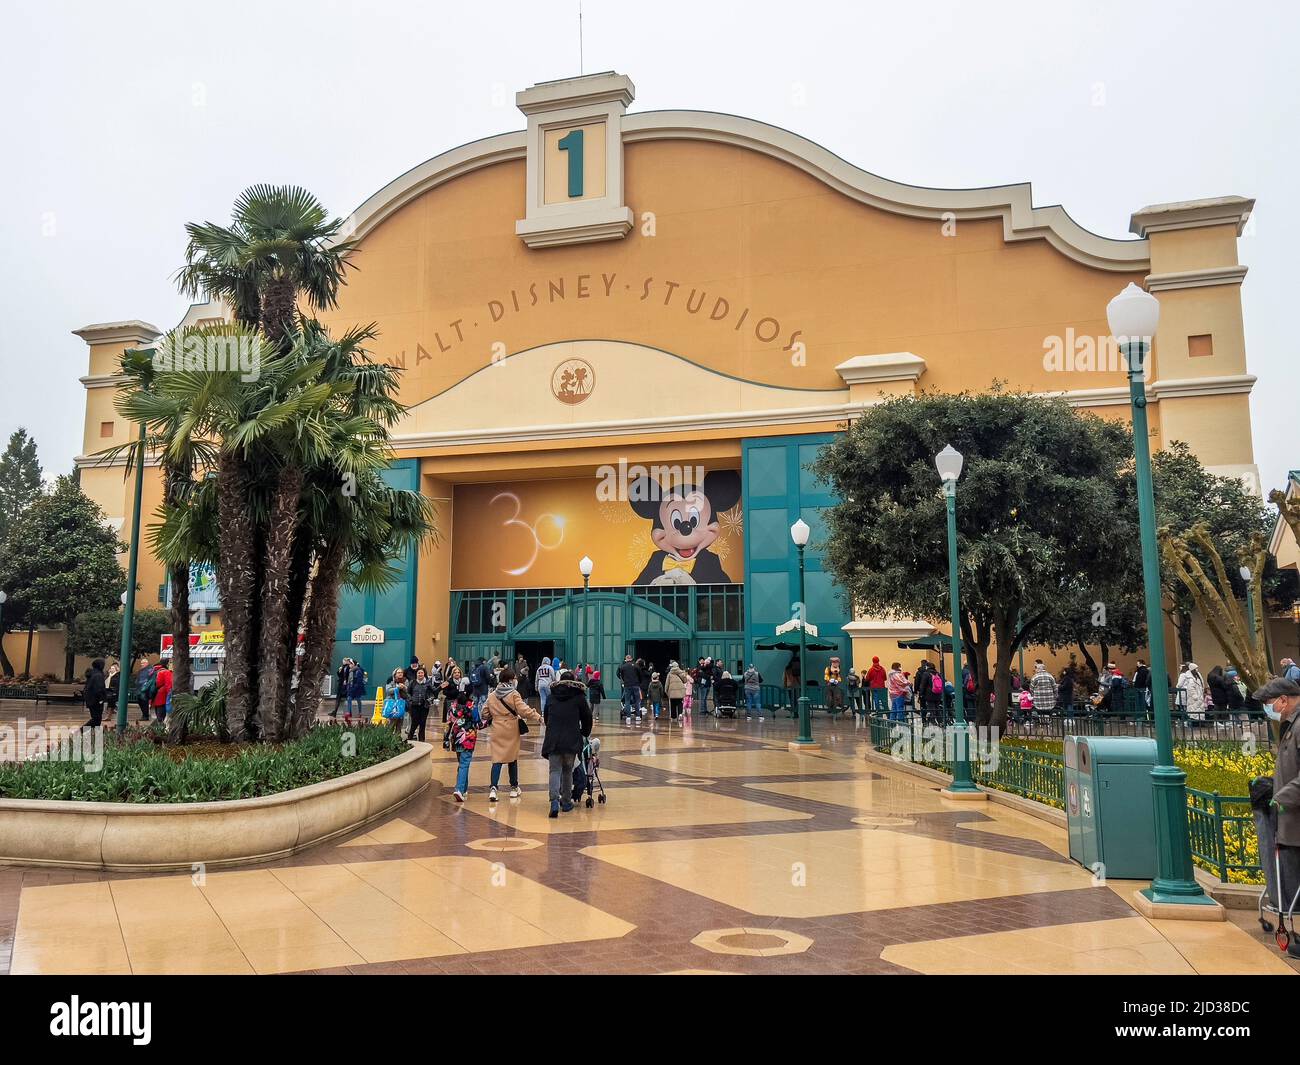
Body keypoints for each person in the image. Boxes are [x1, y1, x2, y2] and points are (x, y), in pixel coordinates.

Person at [1252, 677, 1300, 957]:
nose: (1269, 709)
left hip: (1294, 816)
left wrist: (1281, 797)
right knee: (1293, 878)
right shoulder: (1291, 726)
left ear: (1283, 700)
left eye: (1270, 703)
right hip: (1290, 822)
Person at [479, 665, 542, 801]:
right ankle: (514, 787)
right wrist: (537, 716)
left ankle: (493, 789)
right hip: (511, 729)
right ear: (509, 680)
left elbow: (484, 713)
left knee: (497, 759)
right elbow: (523, 710)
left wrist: (494, 715)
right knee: (512, 759)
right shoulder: (513, 694)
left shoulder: (492, 695)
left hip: (497, 728)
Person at [542, 670, 592, 818]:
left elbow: (546, 717)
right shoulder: (579, 697)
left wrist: (551, 729)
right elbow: (587, 717)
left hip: (553, 739)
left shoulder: (551, 697)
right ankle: (566, 802)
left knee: (554, 770)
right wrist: (584, 732)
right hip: (571, 739)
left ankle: (554, 802)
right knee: (567, 770)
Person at [444, 687, 481, 803]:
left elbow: (448, 723)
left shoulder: (452, 708)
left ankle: (464, 790)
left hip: (456, 738)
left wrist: (445, 740)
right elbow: (478, 723)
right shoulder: (472, 708)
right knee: (464, 764)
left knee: (462, 764)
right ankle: (459, 789)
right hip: (468, 739)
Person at [406, 666, 434, 742]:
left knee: (422, 723)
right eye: (419, 673)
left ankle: (422, 740)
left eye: (422, 673)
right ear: (416, 674)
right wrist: (411, 700)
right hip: (414, 706)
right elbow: (408, 693)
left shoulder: (427, 683)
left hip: (424, 706)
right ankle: (410, 737)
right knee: (414, 723)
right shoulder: (412, 682)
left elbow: (433, 692)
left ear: (424, 674)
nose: (420, 674)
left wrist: (430, 699)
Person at [82, 658, 107, 728]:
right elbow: (99, 688)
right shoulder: (98, 675)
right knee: (96, 719)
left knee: (96, 719)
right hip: (96, 701)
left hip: (91, 700)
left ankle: (95, 734)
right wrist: (101, 699)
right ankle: (81, 731)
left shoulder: (93, 673)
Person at [617, 654, 641, 722]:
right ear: (631, 659)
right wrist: (639, 682)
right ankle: (638, 716)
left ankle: (628, 716)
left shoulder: (623, 667)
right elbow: (640, 674)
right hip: (636, 685)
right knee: (637, 700)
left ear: (626, 659)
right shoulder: (636, 665)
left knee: (627, 701)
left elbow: (620, 675)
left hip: (627, 685)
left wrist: (624, 681)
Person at [387, 668, 409, 734]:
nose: (400, 674)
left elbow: (408, 692)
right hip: (393, 704)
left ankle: (397, 739)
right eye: (398, 672)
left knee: (400, 723)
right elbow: (388, 691)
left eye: (401, 672)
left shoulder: (406, 681)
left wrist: (404, 687)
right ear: (395, 674)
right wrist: (397, 688)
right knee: (392, 722)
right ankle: (388, 737)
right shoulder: (390, 680)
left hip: (401, 704)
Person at [534, 655, 556, 720]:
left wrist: (536, 686)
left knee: (542, 699)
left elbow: (536, 678)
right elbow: (553, 677)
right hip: (548, 684)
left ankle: (543, 713)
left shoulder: (539, 668)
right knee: (549, 698)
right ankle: (549, 711)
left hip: (540, 684)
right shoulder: (550, 668)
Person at [135, 658, 156, 722]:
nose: (142, 664)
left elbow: (149, 680)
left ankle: (145, 716)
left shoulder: (150, 670)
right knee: (140, 702)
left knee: (144, 703)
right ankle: (144, 715)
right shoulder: (141, 670)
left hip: (144, 689)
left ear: (147, 663)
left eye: (143, 663)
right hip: (139, 688)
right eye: (141, 663)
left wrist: (145, 687)